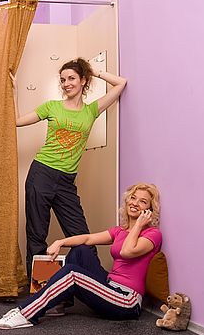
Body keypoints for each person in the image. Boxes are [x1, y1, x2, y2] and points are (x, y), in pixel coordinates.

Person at [0, 183, 161, 330]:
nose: (135, 203)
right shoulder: (119, 231)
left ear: (149, 210)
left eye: (143, 201)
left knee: (72, 274)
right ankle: (57, 303)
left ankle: (26, 313)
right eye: (133, 198)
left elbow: (127, 252)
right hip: (109, 285)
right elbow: (88, 238)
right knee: (81, 250)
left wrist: (138, 224)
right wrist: (60, 242)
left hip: (126, 300)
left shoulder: (153, 234)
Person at [15, 58, 127, 276]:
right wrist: (14, 90)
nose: (66, 83)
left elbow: (121, 83)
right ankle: (42, 288)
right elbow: (17, 122)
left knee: (80, 233)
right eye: (63, 79)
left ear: (83, 81)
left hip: (66, 181)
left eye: (72, 78)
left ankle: (98, 283)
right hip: (41, 174)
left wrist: (93, 71)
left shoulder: (91, 110)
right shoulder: (52, 107)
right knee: (37, 234)